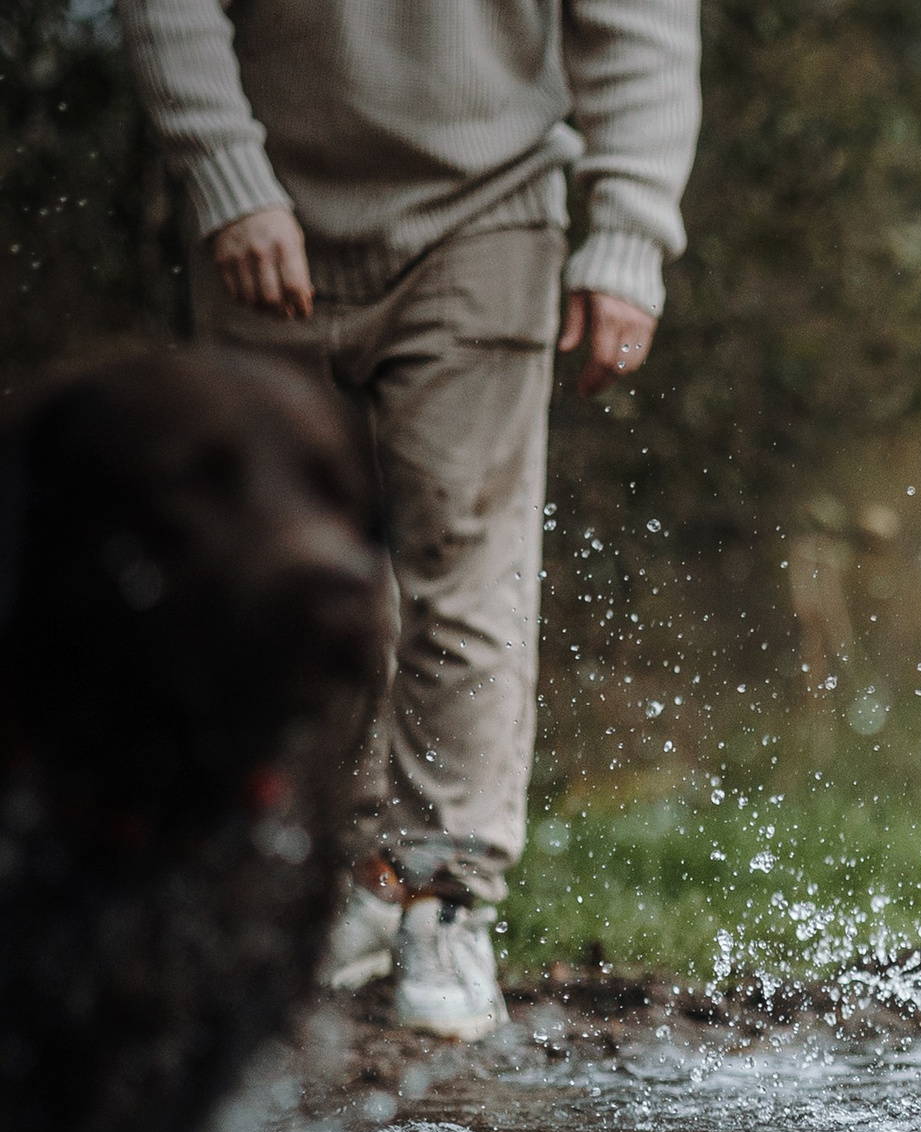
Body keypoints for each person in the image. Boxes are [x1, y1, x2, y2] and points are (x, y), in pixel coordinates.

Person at [120, 0, 701, 1039]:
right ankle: (332, 877)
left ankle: (441, 893)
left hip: (488, 214)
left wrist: (629, 229)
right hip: (263, 214)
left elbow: (641, 21)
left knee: (464, 559)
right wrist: (226, 174)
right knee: (274, 573)